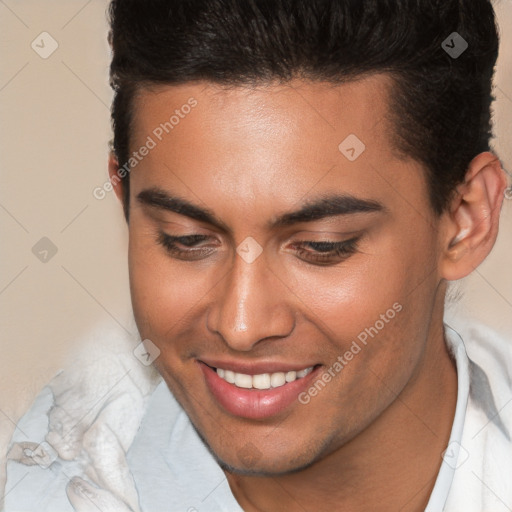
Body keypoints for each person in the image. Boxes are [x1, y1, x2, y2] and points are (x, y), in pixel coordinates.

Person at [4, 0, 511, 510]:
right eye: (186, 239)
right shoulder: (37, 483)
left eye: (320, 247)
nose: (241, 325)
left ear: (467, 220)